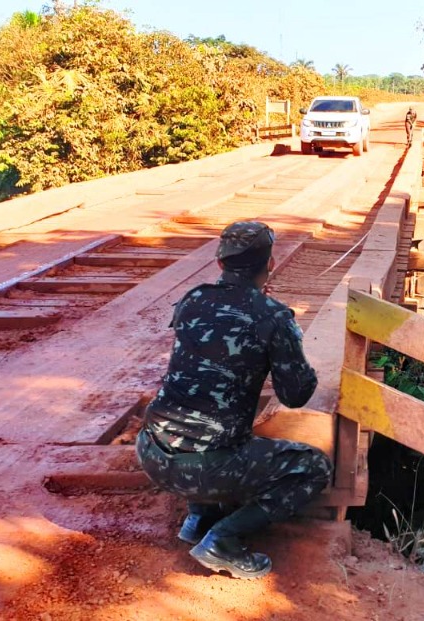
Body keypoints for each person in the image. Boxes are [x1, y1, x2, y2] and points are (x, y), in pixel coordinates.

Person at [135, 221, 331, 580]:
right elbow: (295, 395)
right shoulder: (271, 315)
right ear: (269, 264)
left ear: (221, 263)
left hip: (151, 451)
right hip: (204, 469)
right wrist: (292, 346)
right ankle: (223, 539)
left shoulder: (193, 300)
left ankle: (199, 517)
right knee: (313, 466)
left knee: (207, 419)